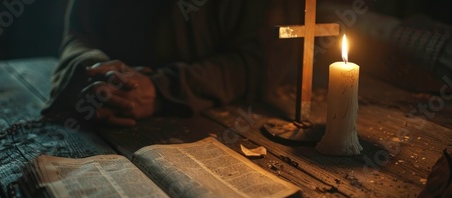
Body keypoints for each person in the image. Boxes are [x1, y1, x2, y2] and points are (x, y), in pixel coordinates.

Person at [43, 0, 283, 127]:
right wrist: (96, 72)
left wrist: (160, 89)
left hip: (201, 125)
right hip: (99, 116)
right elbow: (78, 35)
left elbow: (256, 62)